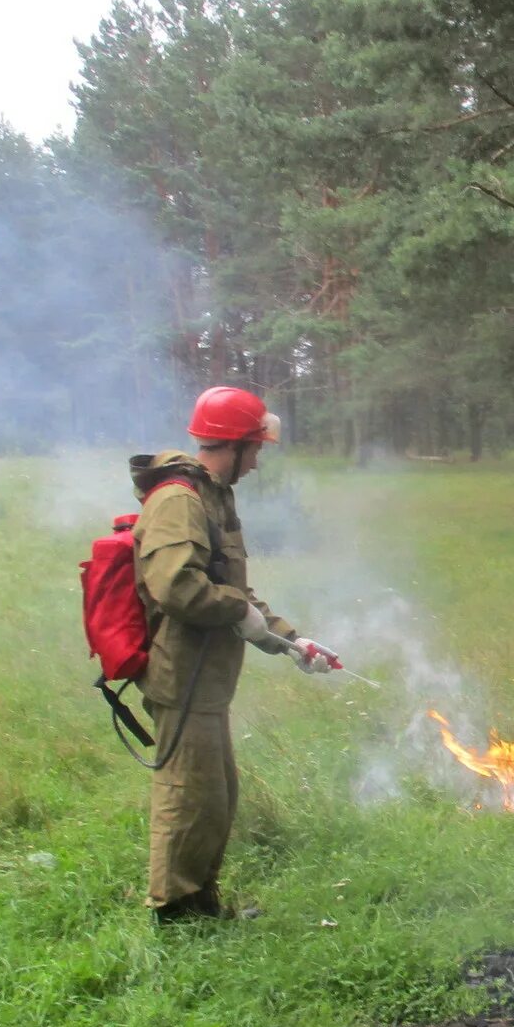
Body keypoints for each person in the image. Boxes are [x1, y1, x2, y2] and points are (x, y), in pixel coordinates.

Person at [130, 385, 341, 922]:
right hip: (182, 675)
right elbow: (178, 587)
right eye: (256, 449)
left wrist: (291, 640)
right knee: (188, 796)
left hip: (208, 679)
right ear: (234, 444)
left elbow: (231, 591)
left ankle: (201, 901)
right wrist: (237, 612)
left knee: (214, 796)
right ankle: (175, 916)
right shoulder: (180, 501)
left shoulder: (214, 495)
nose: (257, 461)